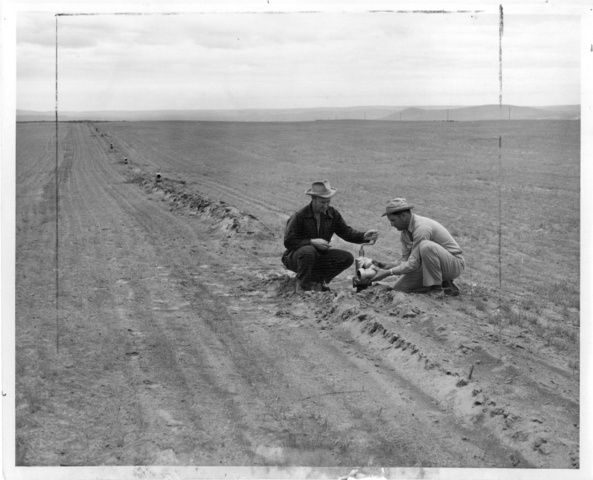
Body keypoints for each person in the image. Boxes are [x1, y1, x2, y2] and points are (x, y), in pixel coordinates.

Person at [282, 180, 379, 294]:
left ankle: (318, 281)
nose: (326, 205)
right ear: (313, 199)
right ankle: (303, 287)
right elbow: (289, 241)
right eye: (322, 202)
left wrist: (364, 236)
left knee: (346, 257)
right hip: (296, 258)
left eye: (328, 202)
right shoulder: (300, 216)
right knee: (308, 251)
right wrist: (311, 242)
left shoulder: (332, 214)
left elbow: (346, 232)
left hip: (318, 257)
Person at [371, 198, 464, 298]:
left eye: (393, 220)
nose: (392, 224)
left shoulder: (421, 228)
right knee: (400, 288)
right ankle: (446, 285)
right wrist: (389, 266)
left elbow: (413, 264)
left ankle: (437, 289)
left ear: (403, 216)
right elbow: (407, 261)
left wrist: (388, 273)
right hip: (429, 266)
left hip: (453, 264)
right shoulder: (405, 233)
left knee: (426, 246)